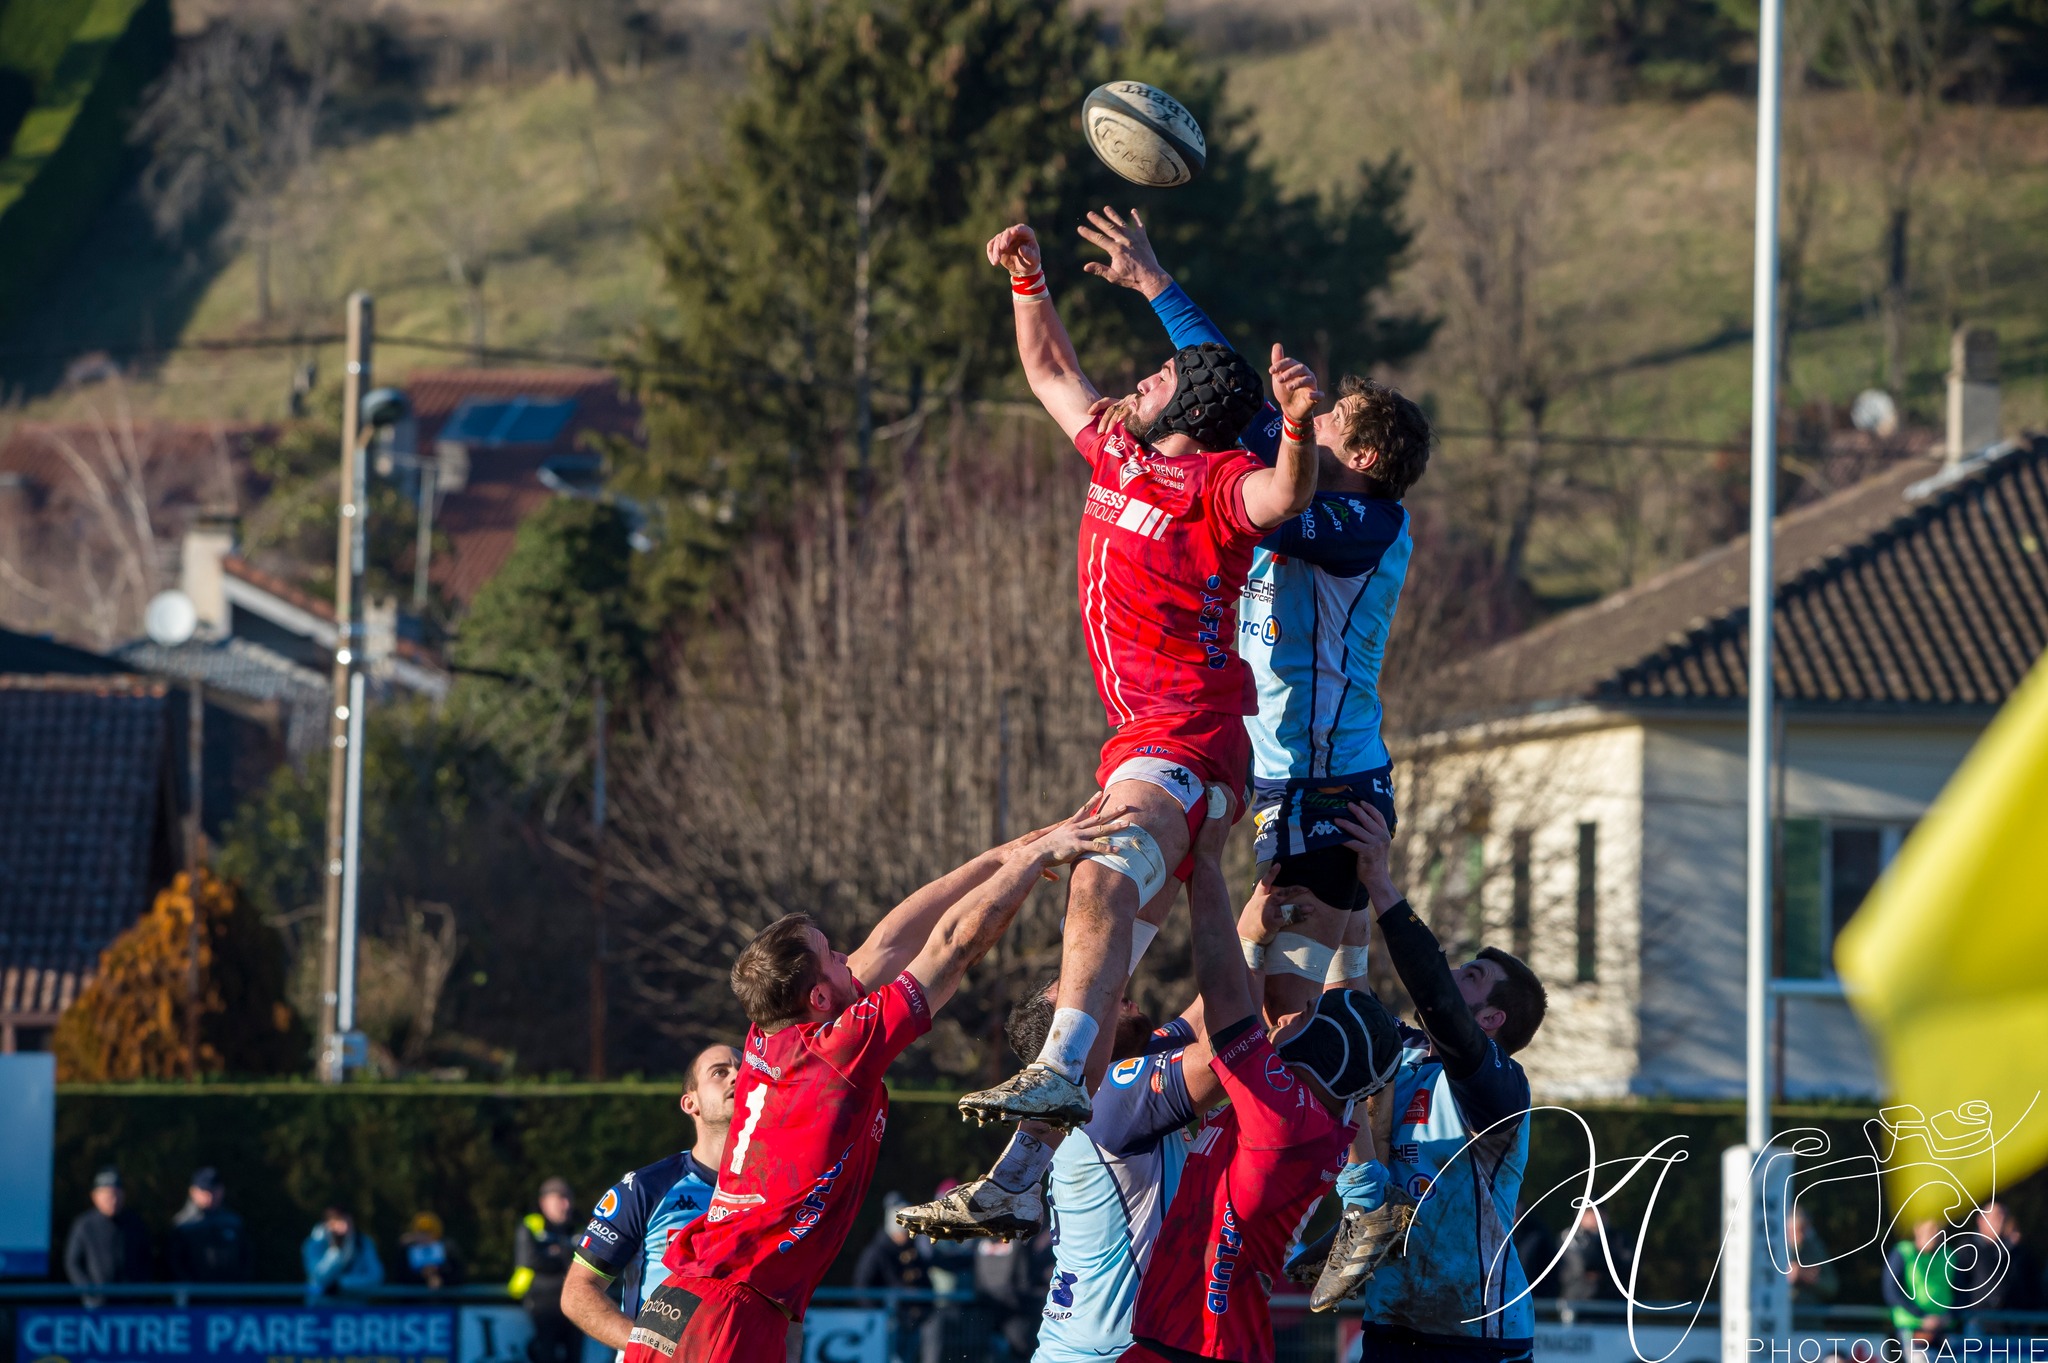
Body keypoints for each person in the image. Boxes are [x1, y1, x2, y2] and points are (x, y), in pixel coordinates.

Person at [942, 218, 1323, 1237]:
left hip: (1193, 740)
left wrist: (1291, 425)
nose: (1135, 381)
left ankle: (1059, 1075)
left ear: (1187, 407)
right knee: (1100, 956)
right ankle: (1022, 1171)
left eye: (1156, 375)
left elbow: (1283, 491)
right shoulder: (1113, 444)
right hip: (1140, 742)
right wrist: (1026, 277)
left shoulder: (1213, 489)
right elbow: (1046, 367)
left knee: (1099, 871)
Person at [1079, 205, 1432, 1024]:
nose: (1308, 427)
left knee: (1285, 1004)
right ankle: (1350, 1147)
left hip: (1327, 783)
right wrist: (1154, 282)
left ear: (1364, 459)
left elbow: (1272, 494)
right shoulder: (1311, 466)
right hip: (1286, 774)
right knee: (1310, 996)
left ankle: (1287, 1127)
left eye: (1331, 421)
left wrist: (1262, 442)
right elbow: (1229, 392)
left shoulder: (1370, 525)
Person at [624, 801, 1132, 1363]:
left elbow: (889, 941)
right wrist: (1033, 859)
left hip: (680, 1302)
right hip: (731, 1313)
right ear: (818, 997)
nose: (847, 956)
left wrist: (1004, 856)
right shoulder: (837, 1049)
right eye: (831, 955)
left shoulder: (772, 1030)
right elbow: (951, 946)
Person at [1120, 786, 1400, 1363]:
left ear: (1317, 1051)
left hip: (1191, 1350)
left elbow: (1229, 1008)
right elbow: (1319, 1006)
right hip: (1203, 1345)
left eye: (1307, 1018)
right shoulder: (1315, 1109)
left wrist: (1212, 871)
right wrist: (1368, 877)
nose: (1293, 1014)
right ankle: (1367, 1202)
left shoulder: (1283, 1120)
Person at [1294, 799, 1548, 1363]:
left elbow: (1434, 990)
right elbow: (1348, 997)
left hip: (1478, 1336)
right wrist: (1347, 883)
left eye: (1472, 976)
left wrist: (1384, 884)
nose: (1455, 972)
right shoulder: (1404, 1054)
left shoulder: (1499, 1090)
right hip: (1393, 1323)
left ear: (1490, 1020)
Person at [563, 1043, 741, 1350]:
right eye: (720, 1072)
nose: (738, 1076)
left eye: (744, 1069)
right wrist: (649, 1351)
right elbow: (578, 1291)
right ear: (690, 1103)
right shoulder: (647, 1188)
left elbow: (786, 1311)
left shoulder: (776, 1192)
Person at [853, 1193, 933, 1362]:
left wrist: (925, 1308)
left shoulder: (913, 1251)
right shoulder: (876, 1252)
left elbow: (925, 1281)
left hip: (912, 1321)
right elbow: (862, 1286)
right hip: (887, 1322)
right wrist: (878, 1314)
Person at [512, 1178, 582, 1363]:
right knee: (546, 1354)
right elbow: (531, 1260)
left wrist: (557, 1253)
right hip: (543, 1302)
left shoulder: (576, 1225)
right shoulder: (531, 1225)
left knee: (574, 1355)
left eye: (568, 1199)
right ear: (544, 1202)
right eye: (560, 1199)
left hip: (575, 1303)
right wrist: (566, 1255)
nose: (566, 1205)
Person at [65, 1168, 152, 1304]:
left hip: (130, 1303)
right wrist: (89, 1291)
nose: (113, 1200)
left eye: (116, 1194)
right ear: (95, 1196)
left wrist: (138, 1290)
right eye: (108, 1195)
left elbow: (147, 1259)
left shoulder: (135, 1223)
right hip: (97, 1305)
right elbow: (73, 1262)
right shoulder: (84, 1225)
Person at [168, 1167, 250, 1283]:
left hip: (229, 1295)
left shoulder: (233, 1222)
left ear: (222, 1190)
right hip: (194, 1296)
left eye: (214, 1190)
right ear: (193, 1191)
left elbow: (246, 1260)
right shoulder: (183, 1225)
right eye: (205, 1191)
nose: (210, 1196)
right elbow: (174, 1264)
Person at [1886, 1219, 1956, 1353]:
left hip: (1944, 1328)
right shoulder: (1903, 1252)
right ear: (1917, 1229)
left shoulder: (1949, 1255)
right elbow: (1891, 1291)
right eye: (1930, 1230)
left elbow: (1962, 1291)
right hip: (1912, 1328)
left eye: (1938, 1230)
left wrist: (1949, 1316)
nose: (1934, 1235)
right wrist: (1922, 1317)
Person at [303, 1207, 383, 1301]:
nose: (345, 1227)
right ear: (328, 1224)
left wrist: (343, 1283)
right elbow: (319, 1277)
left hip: (353, 1309)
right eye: (339, 1222)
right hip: (321, 1308)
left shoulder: (362, 1243)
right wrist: (335, 1251)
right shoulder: (314, 1244)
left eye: (348, 1222)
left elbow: (376, 1277)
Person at [395, 1212, 463, 1290]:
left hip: (443, 1298)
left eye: (428, 1232)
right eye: (421, 1232)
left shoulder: (448, 1248)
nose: (424, 1236)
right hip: (415, 1298)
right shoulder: (408, 1249)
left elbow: (457, 1274)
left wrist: (439, 1274)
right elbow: (401, 1276)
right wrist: (422, 1275)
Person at [1785, 1207, 1838, 1307]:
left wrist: (1811, 1279)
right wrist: (1786, 1276)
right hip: (1780, 1317)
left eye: (1804, 1230)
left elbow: (1832, 1286)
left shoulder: (1816, 1250)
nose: (1801, 1236)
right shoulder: (1773, 1250)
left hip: (1810, 1318)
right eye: (1795, 1231)